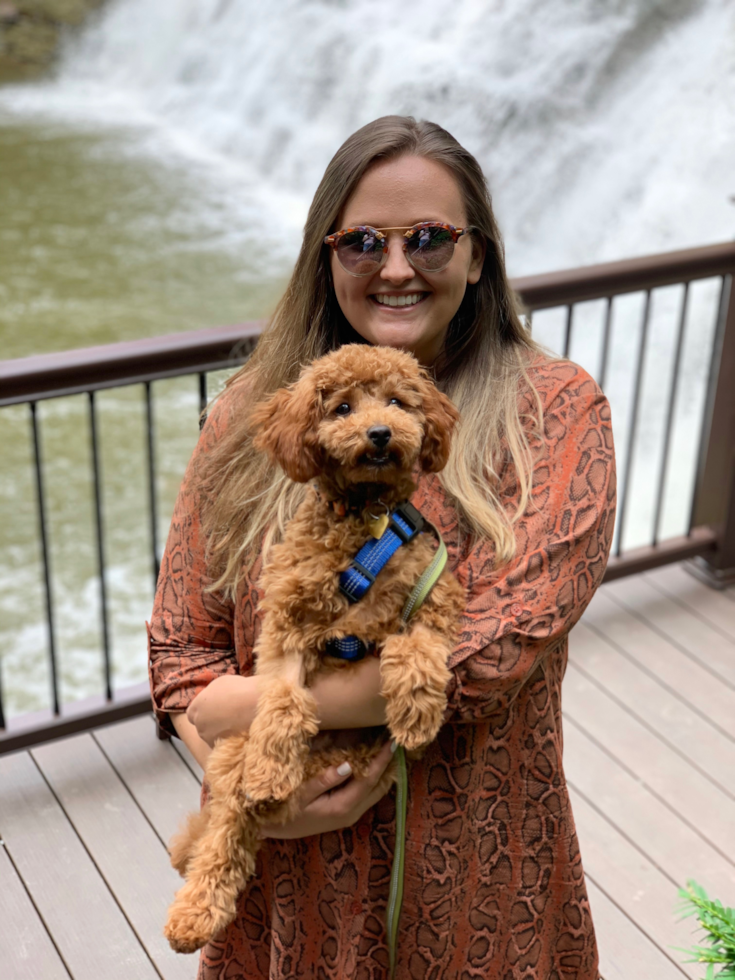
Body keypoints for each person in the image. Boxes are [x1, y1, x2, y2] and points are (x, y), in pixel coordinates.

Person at [148, 115, 615, 980]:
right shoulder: (250, 412)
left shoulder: (554, 412)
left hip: (476, 879)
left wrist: (252, 705)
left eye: (428, 238)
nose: (395, 268)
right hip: (291, 885)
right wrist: (254, 794)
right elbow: (181, 651)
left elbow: (489, 653)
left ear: (477, 256)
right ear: (325, 257)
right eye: (362, 242)